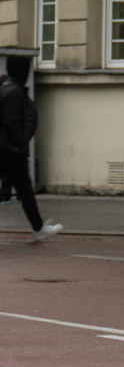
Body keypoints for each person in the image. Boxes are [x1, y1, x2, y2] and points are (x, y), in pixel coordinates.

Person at [0, 61, 61, 241]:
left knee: (25, 189)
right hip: (10, 150)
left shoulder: (6, 87)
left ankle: (38, 227)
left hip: (7, 149)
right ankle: (38, 228)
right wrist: (20, 142)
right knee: (25, 190)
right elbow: (11, 122)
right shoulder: (13, 92)